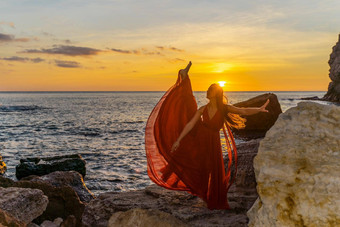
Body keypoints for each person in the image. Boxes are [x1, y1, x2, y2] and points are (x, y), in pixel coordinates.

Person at [144, 61, 270, 210]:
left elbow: (242, 111)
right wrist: (178, 139)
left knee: (214, 168)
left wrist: (259, 109)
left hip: (213, 141)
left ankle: (214, 197)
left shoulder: (224, 109)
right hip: (200, 139)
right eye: (208, 89)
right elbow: (190, 124)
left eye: (210, 90)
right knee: (200, 166)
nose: (207, 91)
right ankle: (184, 76)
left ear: (216, 93)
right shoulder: (203, 109)